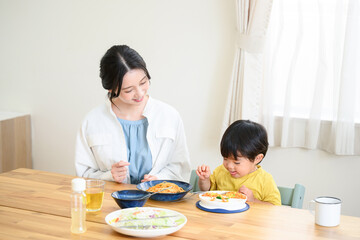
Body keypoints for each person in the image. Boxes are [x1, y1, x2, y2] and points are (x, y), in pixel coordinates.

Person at [75, 45, 191, 184]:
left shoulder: (169, 116)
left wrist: (159, 179)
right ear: (111, 89)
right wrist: (109, 176)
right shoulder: (92, 122)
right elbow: (83, 176)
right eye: (129, 90)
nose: (140, 93)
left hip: (158, 201)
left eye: (143, 82)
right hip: (110, 202)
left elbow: (180, 168)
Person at [196, 120, 281, 205]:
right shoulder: (221, 171)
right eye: (225, 159)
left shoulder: (265, 180)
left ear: (257, 159)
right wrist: (204, 179)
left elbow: (275, 207)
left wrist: (253, 200)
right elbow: (206, 190)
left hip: (249, 218)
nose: (229, 166)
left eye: (236, 162)